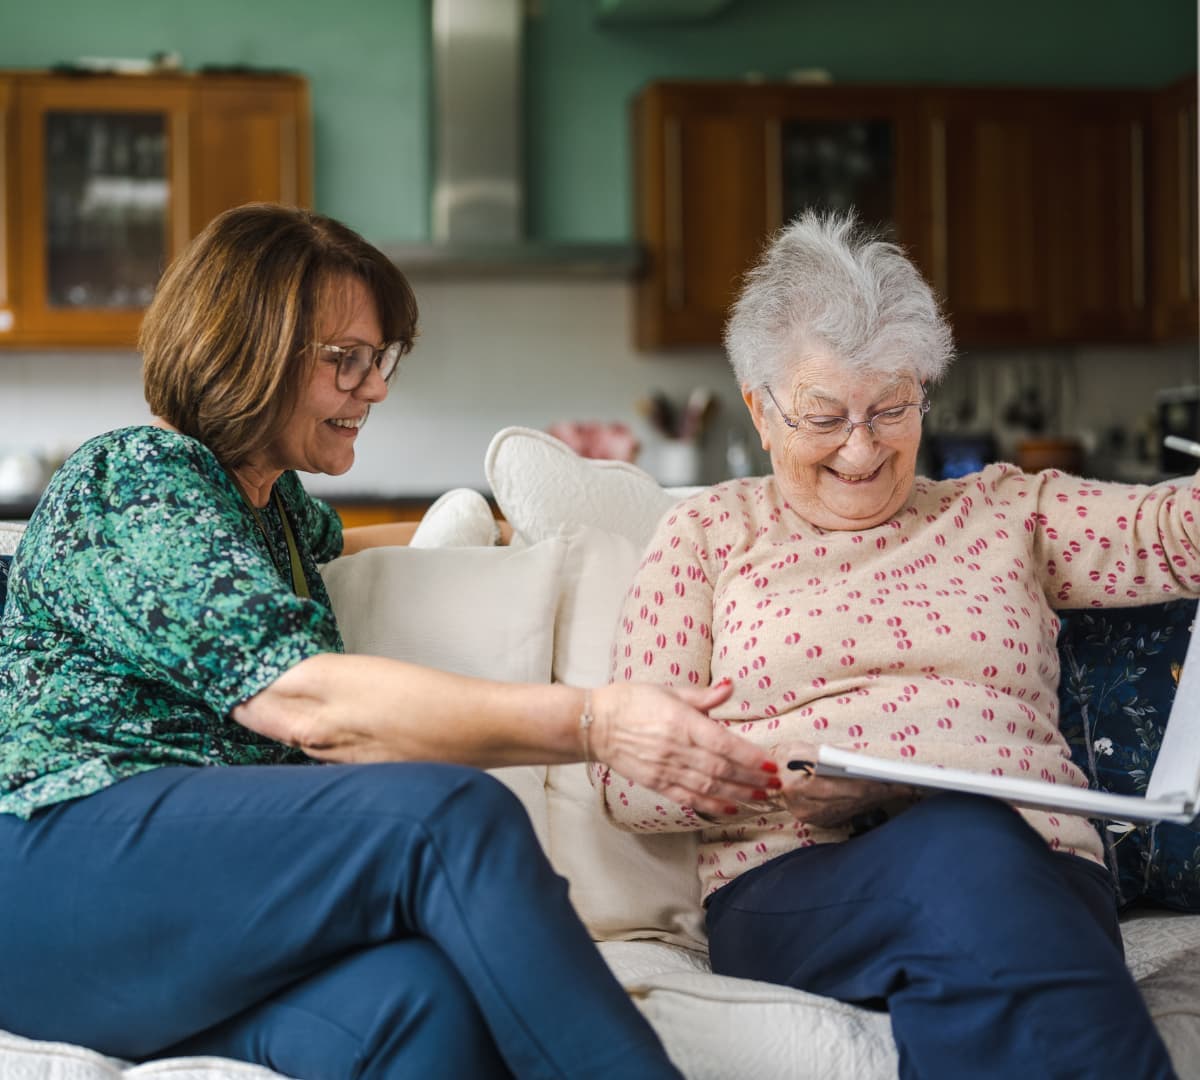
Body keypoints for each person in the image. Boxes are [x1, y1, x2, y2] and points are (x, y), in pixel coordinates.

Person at [0, 203, 781, 1079]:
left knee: (419, 1004)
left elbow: (361, 546)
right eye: (347, 361)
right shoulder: (139, 479)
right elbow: (308, 701)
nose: (373, 388)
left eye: (381, 362)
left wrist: (493, 524)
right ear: (248, 348)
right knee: (447, 816)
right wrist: (599, 721)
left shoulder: (269, 510)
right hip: (56, 872)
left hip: (171, 920)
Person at [596, 210, 1187, 1079]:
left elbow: (1169, 530)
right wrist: (781, 770)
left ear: (925, 392)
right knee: (963, 850)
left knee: (978, 885)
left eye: (891, 407)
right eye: (825, 416)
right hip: (799, 884)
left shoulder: (1004, 509)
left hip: (1041, 866)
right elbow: (625, 781)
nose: (863, 449)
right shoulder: (711, 535)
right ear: (761, 412)